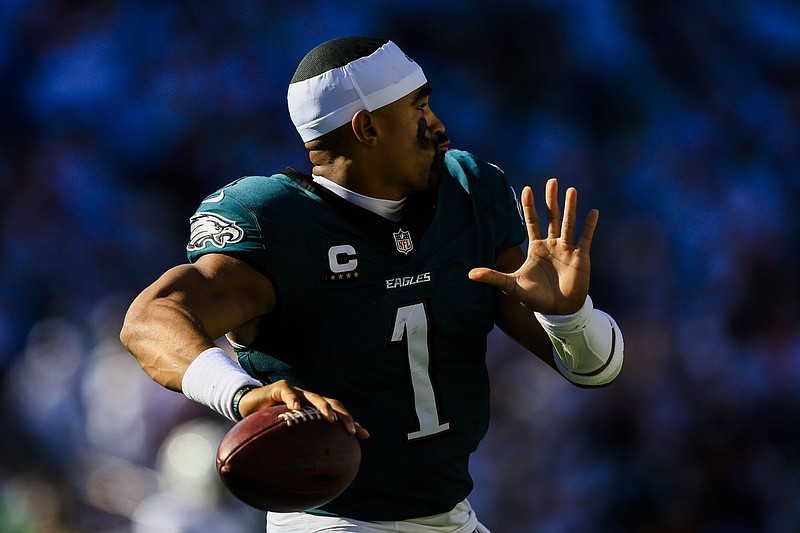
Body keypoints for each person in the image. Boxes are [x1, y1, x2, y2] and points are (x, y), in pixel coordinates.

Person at [120, 36, 624, 532]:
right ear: (366, 127)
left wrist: (569, 317)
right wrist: (241, 393)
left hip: (452, 517)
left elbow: (595, 371)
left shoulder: (468, 193)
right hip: (331, 523)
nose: (440, 127)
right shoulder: (277, 223)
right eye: (419, 109)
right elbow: (149, 321)